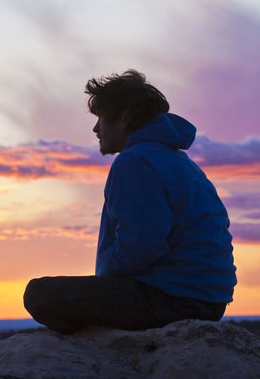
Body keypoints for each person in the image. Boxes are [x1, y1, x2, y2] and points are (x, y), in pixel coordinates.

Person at [23, 69, 236, 333]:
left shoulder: (135, 161)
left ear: (124, 119)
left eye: (101, 118)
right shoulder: (175, 159)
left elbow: (141, 246)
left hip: (173, 299)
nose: (96, 128)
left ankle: (95, 347)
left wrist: (105, 280)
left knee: (39, 294)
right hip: (205, 299)